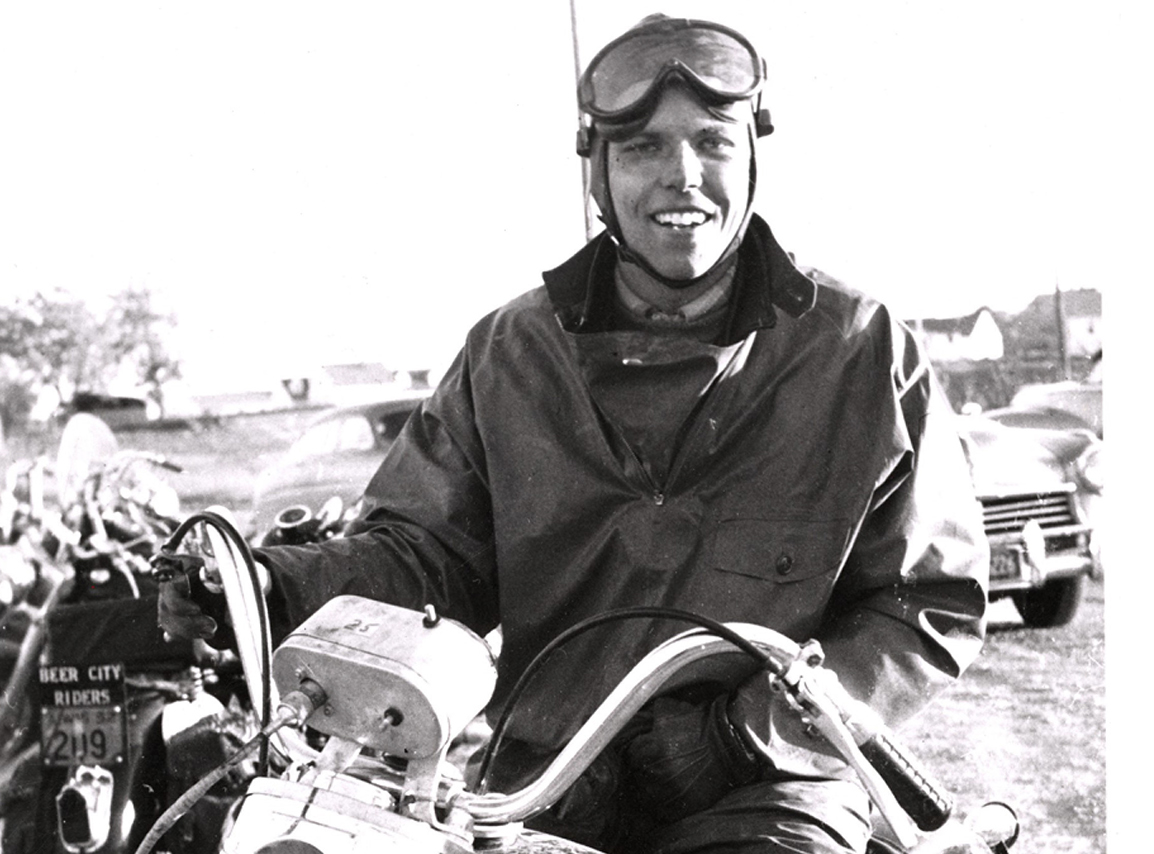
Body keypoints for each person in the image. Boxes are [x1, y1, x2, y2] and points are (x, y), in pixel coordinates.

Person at [158, 14, 989, 854]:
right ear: (598, 169)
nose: (683, 175)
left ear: (752, 156)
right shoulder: (510, 354)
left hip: (772, 791)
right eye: (643, 148)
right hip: (545, 786)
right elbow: (426, 558)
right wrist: (265, 589)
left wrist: (743, 736)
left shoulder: (860, 351)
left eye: (712, 141)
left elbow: (928, 600)